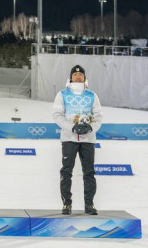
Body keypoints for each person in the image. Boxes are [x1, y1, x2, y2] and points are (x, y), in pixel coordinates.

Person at [52, 65, 103, 215]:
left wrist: (90, 128)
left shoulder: (92, 95)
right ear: (71, 77)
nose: (78, 76)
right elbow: (57, 115)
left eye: (81, 75)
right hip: (69, 138)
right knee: (66, 171)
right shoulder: (62, 94)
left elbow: (99, 116)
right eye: (75, 74)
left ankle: (89, 204)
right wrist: (72, 128)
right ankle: (66, 204)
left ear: (85, 77)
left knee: (89, 172)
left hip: (88, 139)